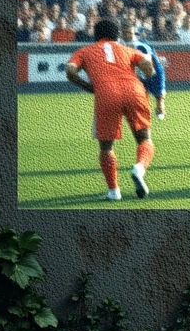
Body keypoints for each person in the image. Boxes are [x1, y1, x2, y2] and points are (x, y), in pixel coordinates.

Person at [66, 18, 156, 201]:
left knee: (106, 146)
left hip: (106, 93)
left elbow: (70, 70)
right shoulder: (128, 49)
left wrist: (87, 86)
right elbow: (147, 65)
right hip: (134, 90)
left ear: (95, 34)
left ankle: (114, 191)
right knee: (144, 138)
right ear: (117, 34)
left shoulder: (84, 51)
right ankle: (139, 168)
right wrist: (147, 78)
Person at [120, 22, 167, 120]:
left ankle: (159, 106)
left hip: (154, 73)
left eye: (130, 33)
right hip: (138, 75)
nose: (127, 35)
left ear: (134, 33)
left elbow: (149, 67)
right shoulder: (120, 46)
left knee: (160, 102)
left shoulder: (141, 46)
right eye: (125, 33)